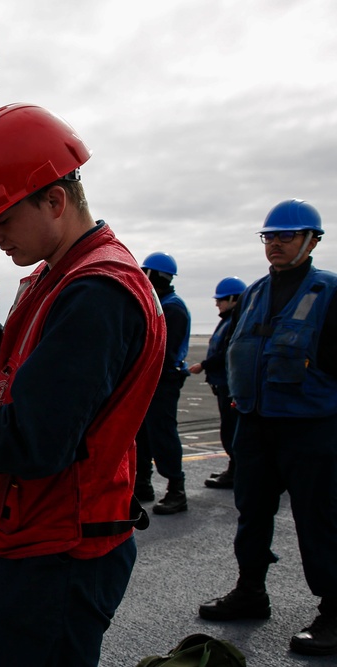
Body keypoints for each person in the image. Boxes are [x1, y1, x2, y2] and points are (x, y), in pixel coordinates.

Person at [0, 103, 165, 667]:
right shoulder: (59, 278)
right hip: (29, 539)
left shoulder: (94, 293)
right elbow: (34, 387)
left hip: (55, 555)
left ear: (55, 200)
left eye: (2, 219)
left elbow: (36, 441)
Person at [198, 199, 337, 657]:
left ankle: (335, 611)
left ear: (312, 240)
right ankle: (250, 592)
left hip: (311, 428)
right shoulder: (255, 292)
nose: (275, 244)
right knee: (251, 512)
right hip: (255, 424)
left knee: (318, 521)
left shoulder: (329, 292)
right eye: (269, 237)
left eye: (286, 236)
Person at [134, 252, 191, 514]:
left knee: (162, 433)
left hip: (163, 381)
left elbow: (163, 352)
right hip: (153, 380)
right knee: (143, 434)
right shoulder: (162, 303)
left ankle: (176, 490)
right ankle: (142, 483)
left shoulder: (171, 307)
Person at [187, 276, 246, 489]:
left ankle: (236, 471)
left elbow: (225, 353)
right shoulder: (229, 320)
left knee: (231, 432)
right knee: (230, 430)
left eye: (221, 300)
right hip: (223, 385)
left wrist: (203, 364)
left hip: (230, 387)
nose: (217, 304)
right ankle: (235, 468)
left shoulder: (235, 322)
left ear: (233, 299)